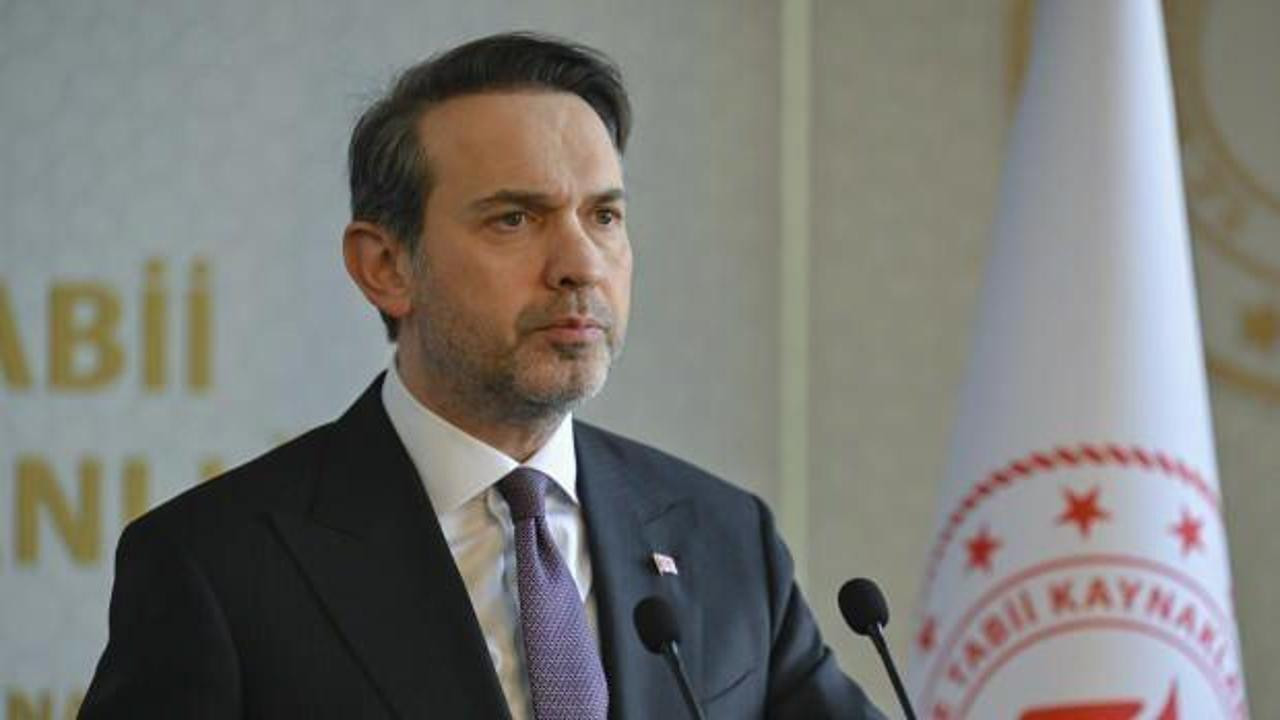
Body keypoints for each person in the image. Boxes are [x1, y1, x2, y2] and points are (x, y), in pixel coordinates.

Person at [80, 33, 883, 719]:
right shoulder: (217, 565)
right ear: (386, 266)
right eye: (515, 219)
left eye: (604, 216)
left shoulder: (723, 537)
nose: (580, 264)